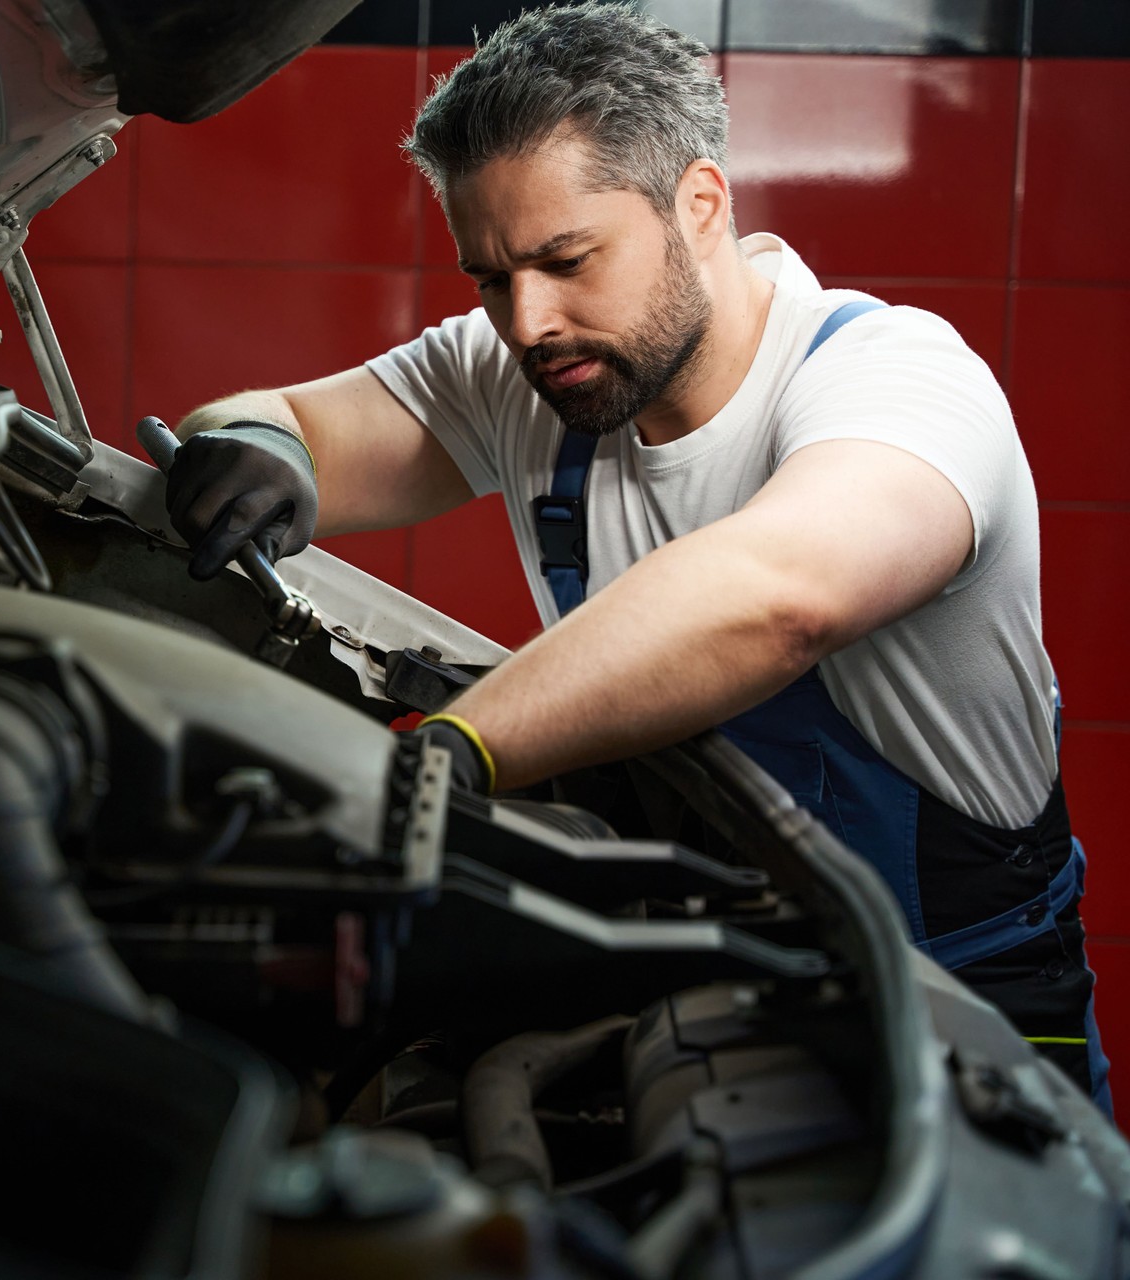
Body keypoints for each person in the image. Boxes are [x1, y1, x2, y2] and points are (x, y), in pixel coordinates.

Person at [160, 1, 1111, 1111]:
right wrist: (251, 443)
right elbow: (287, 420)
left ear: (698, 204)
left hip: (968, 1016)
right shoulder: (537, 369)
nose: (528, 321)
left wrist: (450, 751)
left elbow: (777, 596)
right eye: (491, 277)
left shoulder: (898, 382)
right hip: (718, 997)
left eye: (568, 258)